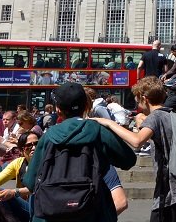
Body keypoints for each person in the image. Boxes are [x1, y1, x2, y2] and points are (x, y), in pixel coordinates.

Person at [24, 82, 136, 222]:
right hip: (93, 210)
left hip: (50, 212)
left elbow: (30, 181)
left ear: (58, 110)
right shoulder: (98, 130)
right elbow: (128, 160)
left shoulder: (48, 136)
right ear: (86, 106)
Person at [94, 76, 176, 222]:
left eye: (137, 98)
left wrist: (109, 123)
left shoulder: (155, 117)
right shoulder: (172, 114)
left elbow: (137, 141)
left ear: (144, 98)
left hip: (170, 195)